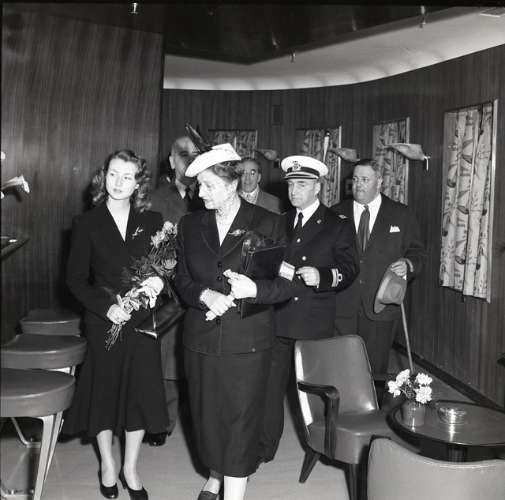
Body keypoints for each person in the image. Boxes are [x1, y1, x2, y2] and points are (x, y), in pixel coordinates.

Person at [174, 143, 294, 500]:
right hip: (201, 340)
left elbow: (287, 284)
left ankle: (234, 492)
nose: (200, 193)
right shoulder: (189, 224)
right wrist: (203, 295)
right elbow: (181, 278)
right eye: (199, 185)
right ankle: (216, 475)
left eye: (209, 185)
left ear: (232, 184)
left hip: (248, 342)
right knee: (207, 419)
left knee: (241, 422)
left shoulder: (269, 222)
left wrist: (255, 288)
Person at [62, 149, 168, 500]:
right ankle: (107, 463)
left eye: (127, 176)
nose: (118, 182)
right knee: (104, 392)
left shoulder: (152, 221)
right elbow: (76, 280)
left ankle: (130, 467)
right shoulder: (86, 223)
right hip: (104, 319)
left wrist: (158, 283)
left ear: (139, 182)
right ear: (102, 176)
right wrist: (106, 308)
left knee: (139, 393)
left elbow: (164, 267)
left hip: (141, 319)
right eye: (113, 174)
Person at [259, 155, 359, 464]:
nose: (294, 191)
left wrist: (323, 276)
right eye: (291, 185)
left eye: (302, 184)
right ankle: (264, 448)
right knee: (269, 390)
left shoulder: (337, 225)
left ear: (317, 187)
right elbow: (269, 262)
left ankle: (323, 447)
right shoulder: (280, 222)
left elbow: (350, 268)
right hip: (279, 317)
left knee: (315, 393)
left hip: (313, 321)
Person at [331, 158, 426, 376]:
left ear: (379, 181)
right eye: (355, 179)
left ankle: (374, 400)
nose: (358, 185)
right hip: (342, 306)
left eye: (365, 179)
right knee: (340, 368)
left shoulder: (401, 214)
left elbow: (418, 252)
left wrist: (408, 264)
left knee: (374, 372)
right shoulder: (336, 213)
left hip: (381, 307)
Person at [148, 136, 204, 447]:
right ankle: (162, 422)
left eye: (195, 154)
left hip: (202, 290)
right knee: (166, 359)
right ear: (171, 161)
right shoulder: (155, 198)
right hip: (168, 291)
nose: (189, 160)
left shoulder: (206, 194)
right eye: (183, 155)